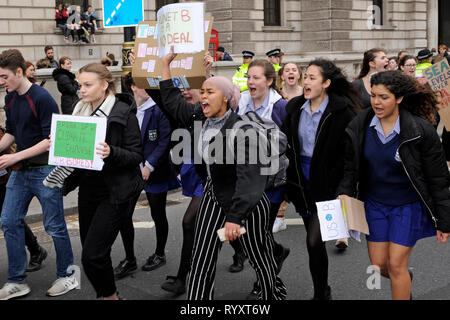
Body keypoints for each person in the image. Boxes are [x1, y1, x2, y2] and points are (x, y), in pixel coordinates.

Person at [158, 48, 287, 300]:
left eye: (209, 92)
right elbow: (171, 100)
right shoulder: (198, 117)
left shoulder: (243, 129)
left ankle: (274, 292)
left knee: (258, 256)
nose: (202, 96)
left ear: (226, 98)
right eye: (202, 92)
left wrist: (234, 218)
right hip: (213, 193)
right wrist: (166, 65)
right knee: (201, 256)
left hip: (246, 201)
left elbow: (249, 181)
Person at [336, 70, 450, 300]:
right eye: (374, 96)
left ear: (399, 98)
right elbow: (350, 168)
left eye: (384, 97)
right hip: (374, 204)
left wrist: (444, 220)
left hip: (407, 205)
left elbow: (438, 179)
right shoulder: (360, 126)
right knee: (379, 266)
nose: (377, 102)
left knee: (396, 264)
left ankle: (401, 280)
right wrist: (344, 194)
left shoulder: (421, 131)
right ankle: (404, 282)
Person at [44, 63, 144, 300]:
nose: (82, 91)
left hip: (116, 191)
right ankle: (108, 295)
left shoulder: (122, 112)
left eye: (87, 85)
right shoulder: (80, 109)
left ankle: (111, 297)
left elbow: (136, 155)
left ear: (105, 85)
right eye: (80, 85)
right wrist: (60, 143)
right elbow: (77, 153)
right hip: (88, 190)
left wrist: (111, 152)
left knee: (92, 255)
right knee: (95, 254)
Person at [0, 49, 77, 300]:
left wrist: (14, 157)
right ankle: (17, 281)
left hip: (45, 170)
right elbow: (11, 132)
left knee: (54, 226)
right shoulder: (10, 99)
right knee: (9, 221)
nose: (1, 82)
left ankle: (67, 276)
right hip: (21, 171)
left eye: (4, 77)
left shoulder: (42, 98)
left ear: (19, 72)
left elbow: (49, 141)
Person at [281, 58, 360, 300]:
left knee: (314, 241)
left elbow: (350, 157)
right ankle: (322, 289)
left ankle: (320, 294)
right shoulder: (294, 107)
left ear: (326, 83)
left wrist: (345, 188)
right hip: (302, 185)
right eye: (306, 77)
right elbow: (286, 145)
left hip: (329, 186)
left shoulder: (342, 111)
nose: (306, 81)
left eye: (312, 78)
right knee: (313, 244)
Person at [114, 73, 180, 279]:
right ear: (133, 87)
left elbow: (165, 140)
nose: (150, 89)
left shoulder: (158, 109)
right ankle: (130, 259)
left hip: (155, 170)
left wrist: (149, 165)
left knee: (158, 213)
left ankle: (160, 254)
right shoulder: (127, 109)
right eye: (144, 85)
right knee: (124, 215)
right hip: (132, 170)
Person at [236, 58, 290, 299]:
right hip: (248, 179)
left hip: (272, 181)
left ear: (269, 81)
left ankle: (264, 283)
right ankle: (276, 253)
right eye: (248, 77)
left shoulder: (279, 107)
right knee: (255, 235)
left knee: (259, 234)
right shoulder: (242, 101)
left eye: (256, 77)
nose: (250, 82)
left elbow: (286, 145)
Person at [273, 62, 304, 233]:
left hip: (302, 143)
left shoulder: (306, 94)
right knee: (283, 177)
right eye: (287, 70)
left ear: (299, 74)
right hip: (283, 142)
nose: (291, 72)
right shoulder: (277, 96)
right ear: (282, 76)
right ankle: (280, 216)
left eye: (294, 69)